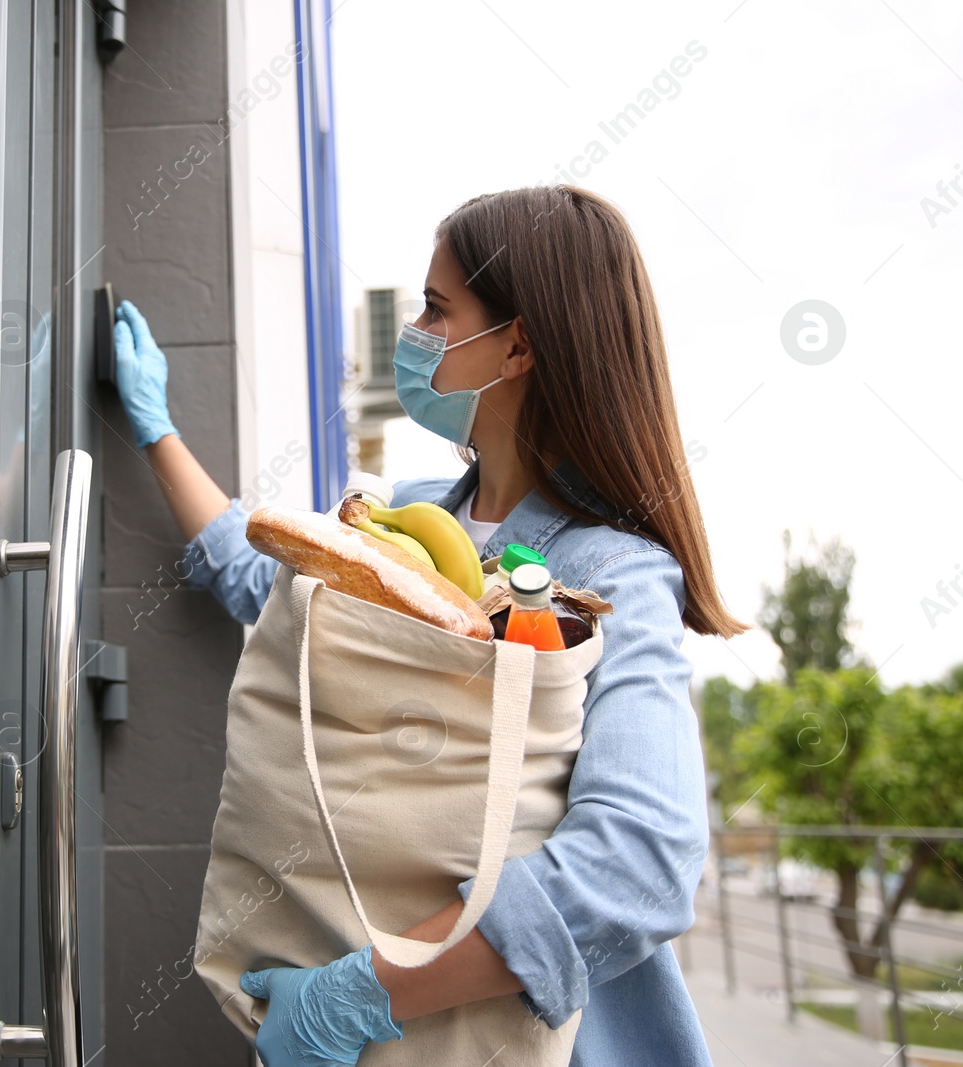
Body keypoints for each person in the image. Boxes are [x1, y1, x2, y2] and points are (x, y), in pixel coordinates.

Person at [111, 185, 747, 1067]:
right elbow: (268, 585)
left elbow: (643, 858)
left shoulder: (613, 572)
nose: (414, 331)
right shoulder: (408, 515)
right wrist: (155, 428)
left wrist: (362, 992)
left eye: (436, 308)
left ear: (517, 344)